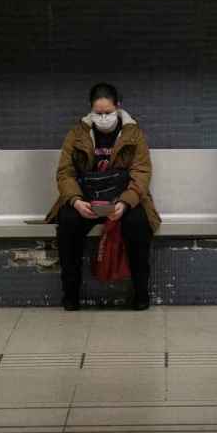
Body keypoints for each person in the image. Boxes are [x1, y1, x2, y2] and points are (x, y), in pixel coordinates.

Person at [44, 83, 162, 311]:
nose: (103, 118)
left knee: (138, 224)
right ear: (91, 111)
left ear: (118, 107)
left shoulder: (133, 134)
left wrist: (126, 202)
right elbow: (65, 173)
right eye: (98, 113)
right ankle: (70, 294)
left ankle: (140, 293)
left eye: (108, 112)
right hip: (86, 200)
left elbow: (141, 173)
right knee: (67, 223)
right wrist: (76, 201)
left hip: (122, 198)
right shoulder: (77, 134)